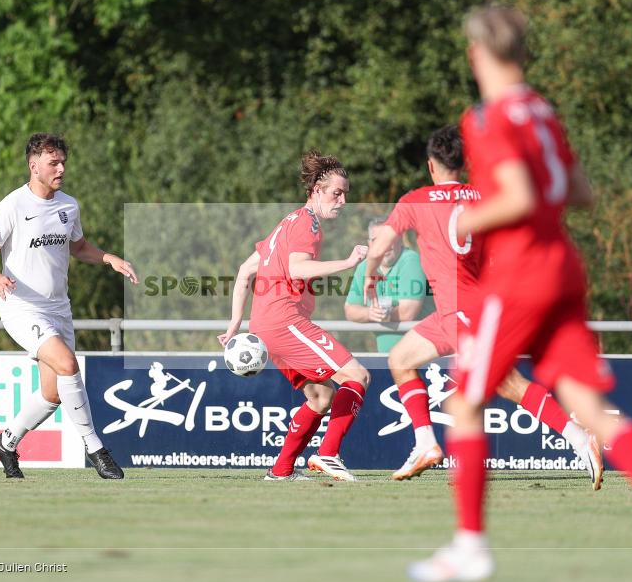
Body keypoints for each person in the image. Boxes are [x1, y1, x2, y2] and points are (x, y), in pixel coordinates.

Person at [407, 7, 632, 582]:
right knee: (588, 408)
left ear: (477, 55)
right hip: (564, 267)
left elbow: (516, 196)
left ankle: (470, 547)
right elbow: (581, 192)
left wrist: (467, 223)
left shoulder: (488, 117)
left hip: (519, 274)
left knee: (466, 402)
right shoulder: (543, 110)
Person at [365, 126, 602, 484]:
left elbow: (380, 245)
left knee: (507, 384)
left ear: (431, 166)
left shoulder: (415, 200)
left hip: (465, 310)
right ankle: (426, 443)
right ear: (463, 163)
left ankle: (579, 438)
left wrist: (370, 275)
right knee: (400, 359)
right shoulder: (484, 196)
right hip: (454, 311)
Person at [0, 133, 138, 480]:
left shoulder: (68, 206)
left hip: (59, 309)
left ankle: (6, 442)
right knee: (68, 364)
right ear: (34, 166)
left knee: (52, 393)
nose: (61, 168)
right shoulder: (12, 206)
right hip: (21, 308)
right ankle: (97, 450)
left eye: (63, 161)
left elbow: (78, 248)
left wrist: (108, 258)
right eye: (54, 163)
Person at [219, 150, 370, 482]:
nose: (343, 200)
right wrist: (348, 263)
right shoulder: (308, 223)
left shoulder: (287, 222)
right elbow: (297, 269)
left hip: (265, 324)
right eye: (337, 193)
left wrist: (235, 324)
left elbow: (245, 272)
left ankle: (281, 470)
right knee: (357, 376)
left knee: (321, 396)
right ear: (316, 189)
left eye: (346, 193)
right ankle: (328, 455)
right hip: (285, 321)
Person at [344, 216, 433, 352]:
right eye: (376, 240)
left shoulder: (411, 261)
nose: (383, 245)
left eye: (388, 239)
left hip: (424, 358)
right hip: (388, 358)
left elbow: (408, 313)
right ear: (369, 243)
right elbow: (350, 310)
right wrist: (370, 313)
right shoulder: (364, 267)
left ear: (400, 239)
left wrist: (382, 315)